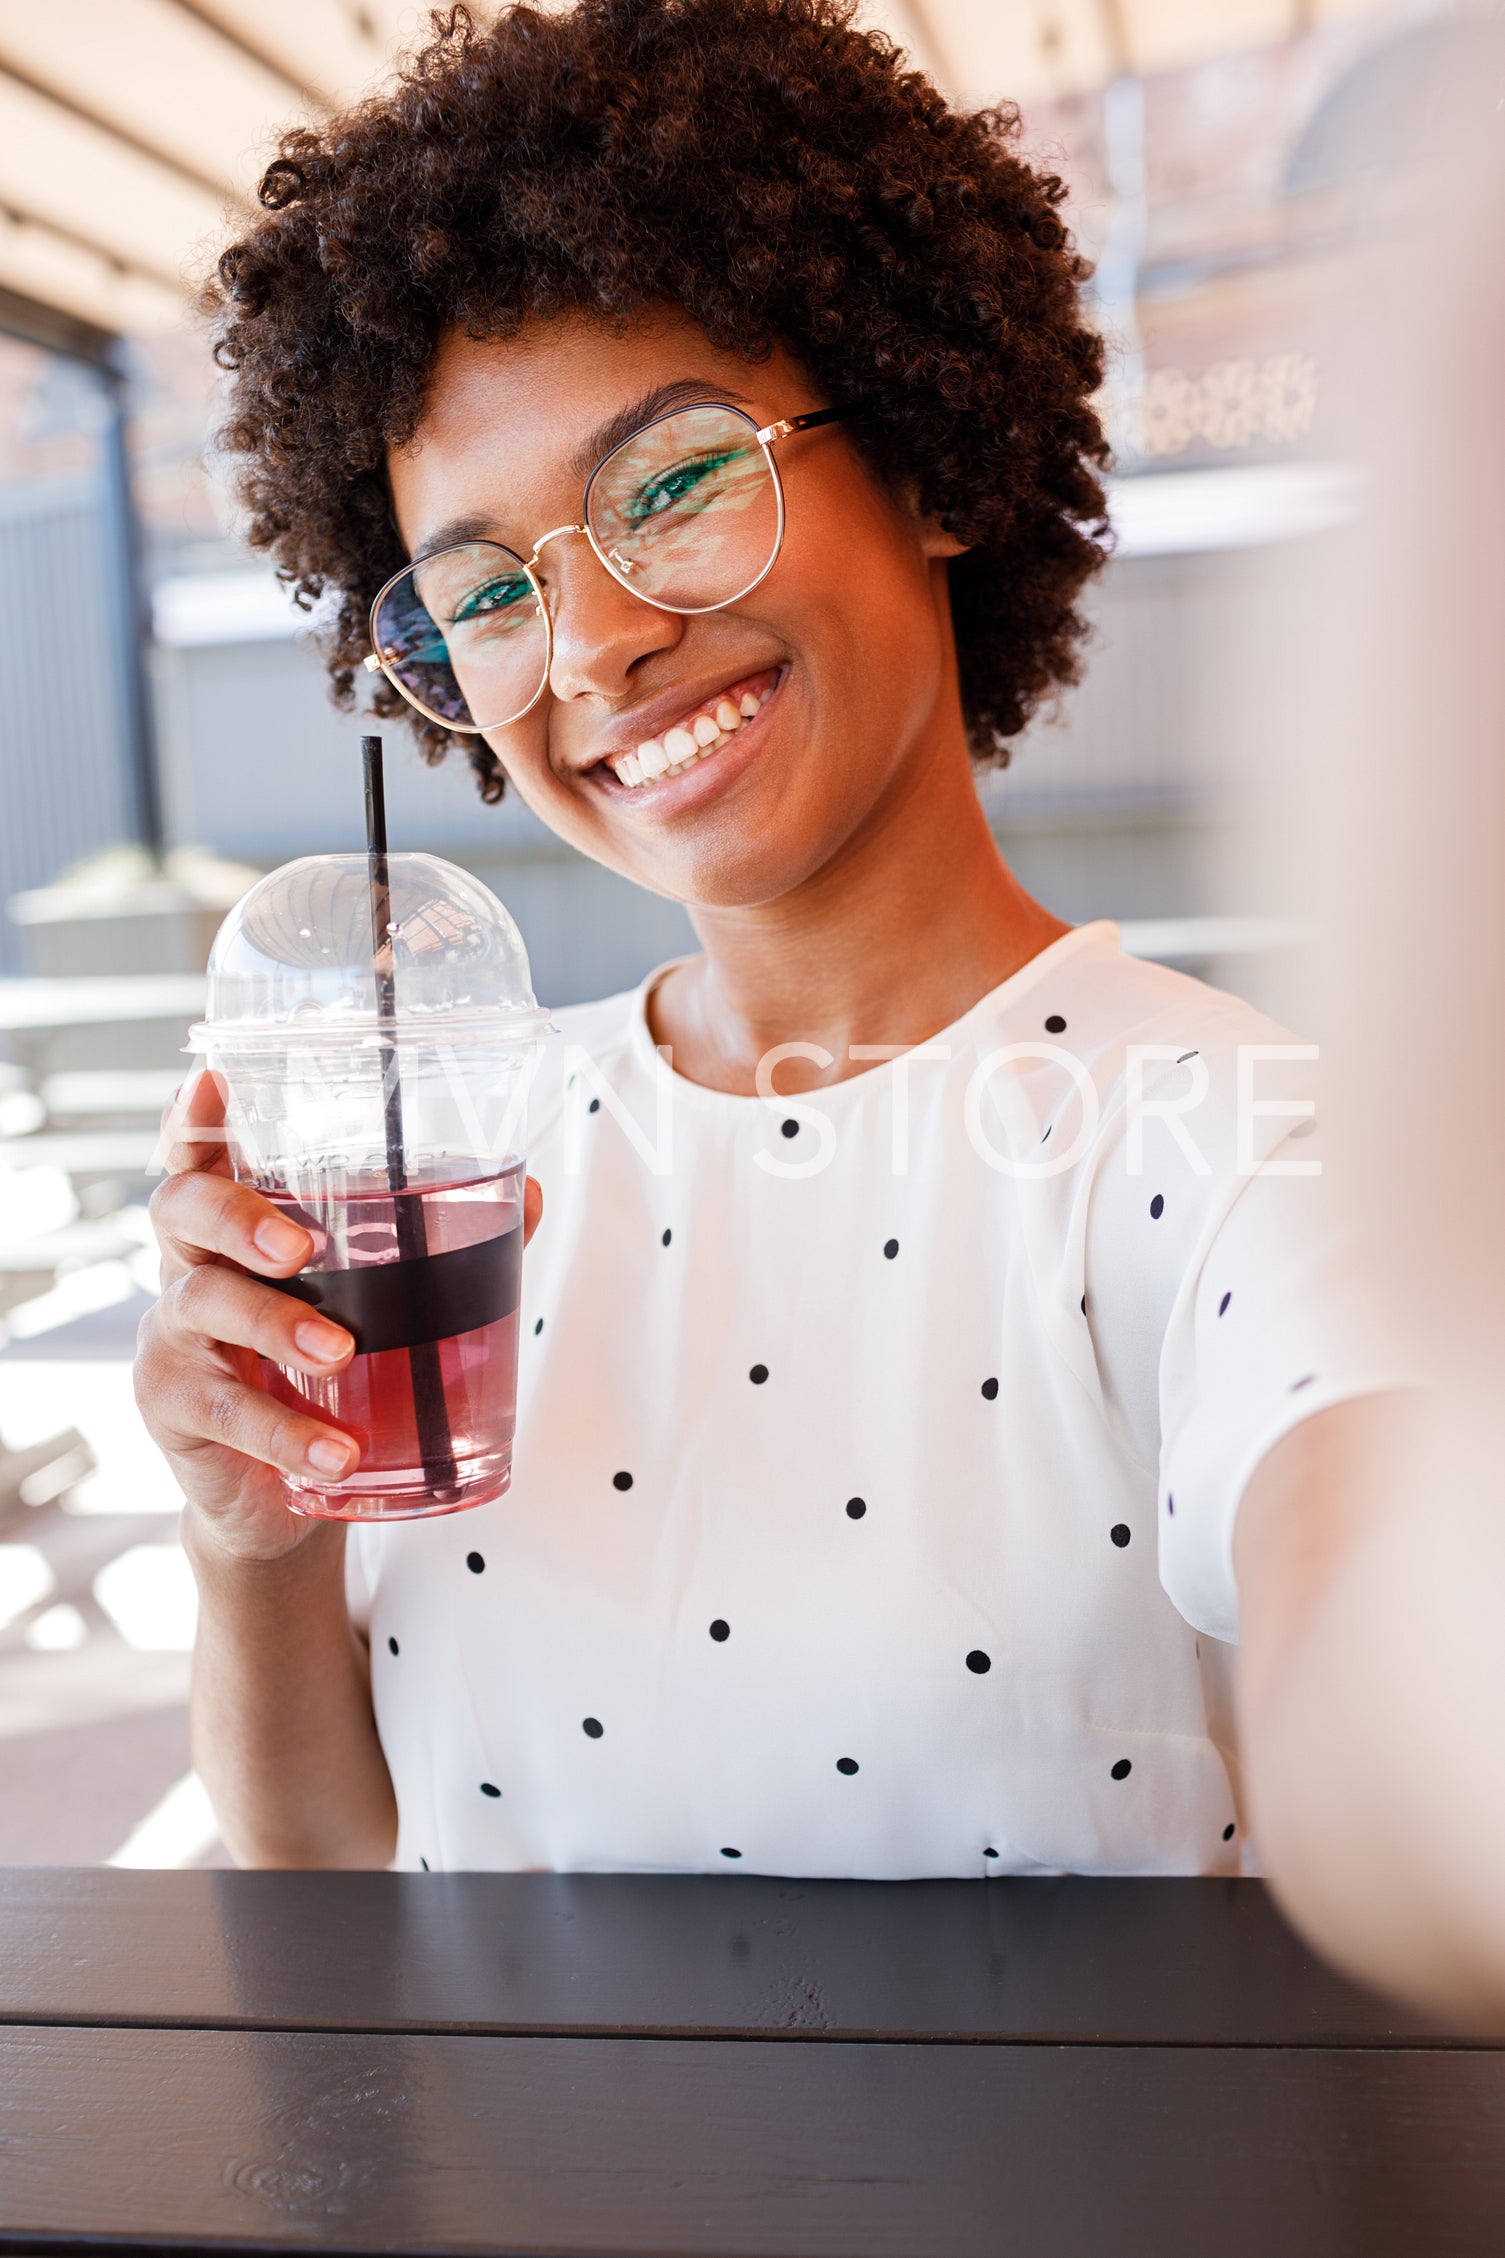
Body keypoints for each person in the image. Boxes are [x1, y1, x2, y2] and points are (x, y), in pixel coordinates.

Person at [136, 0, 1406, 1910]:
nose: (592, 647)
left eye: (669, 483)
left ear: (931, 457)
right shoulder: (475, 1162)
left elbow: (1398, 1712)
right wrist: (251, 1535)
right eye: (488, 589)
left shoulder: (1231, 1146)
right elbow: (325, 1856)